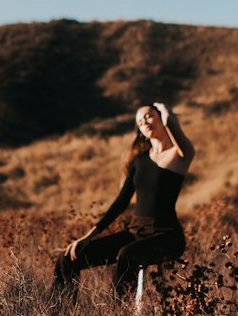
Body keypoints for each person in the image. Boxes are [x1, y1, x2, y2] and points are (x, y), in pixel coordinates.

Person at [52, 102, 194, 303]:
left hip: (167, 237)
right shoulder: (140, 161)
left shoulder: (180, 156)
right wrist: (88, 236)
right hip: (135, 233)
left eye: (149, 116)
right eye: (140, 121)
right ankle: (60, 315)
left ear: (162, 119)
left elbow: (172, 124)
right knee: (68, 258)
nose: (144, 122)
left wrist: (165, 111)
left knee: (128, 254)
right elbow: (121, 202)